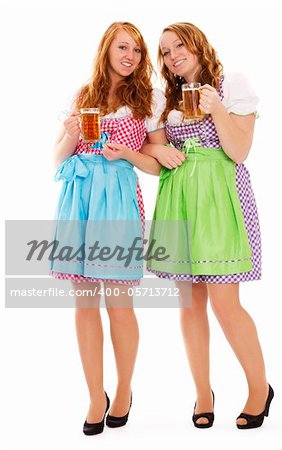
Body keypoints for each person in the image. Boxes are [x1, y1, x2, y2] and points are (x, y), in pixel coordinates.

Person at [144, 22, 274, 429]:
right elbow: (153, 147)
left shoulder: (230, 83)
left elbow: (239, 151)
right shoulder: (164, 98)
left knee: (225, 302)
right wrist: (158, 151)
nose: (172, 55)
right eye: (165, 51)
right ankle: (203, 393)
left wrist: (217, 108)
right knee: (190, 302)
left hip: (221, 196)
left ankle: (259, 388)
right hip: (180, 198)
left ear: (198, 45)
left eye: (179, 45)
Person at [51, 22, 167, 435]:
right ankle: (94, 394)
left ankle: (122, 389)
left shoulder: (148, 99)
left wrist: (129, 153)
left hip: (117, 200)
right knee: (84, 303)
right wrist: (68, 136)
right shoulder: (83, 96)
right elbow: (59, 158)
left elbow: (156, 165)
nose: (131, 56)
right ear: (107, 49)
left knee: (119, 303)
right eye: (123, 47)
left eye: (137, 50)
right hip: (79, 199)